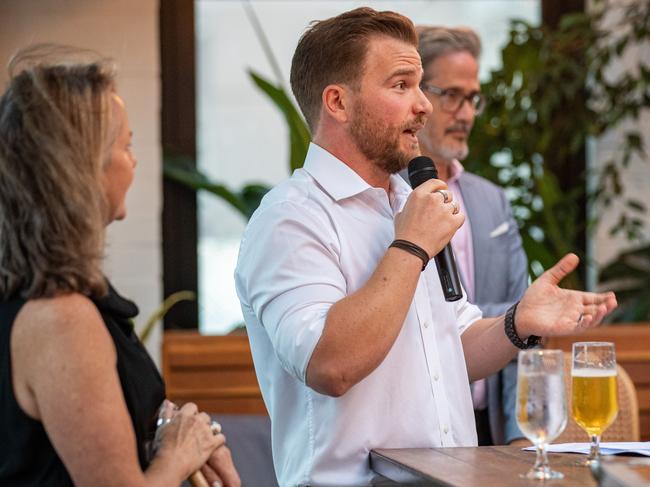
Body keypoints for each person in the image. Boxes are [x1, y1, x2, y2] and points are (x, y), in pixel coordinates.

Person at [234, 7, 617, 486]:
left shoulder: (404, 202)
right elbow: (328, 364)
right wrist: (412, 245)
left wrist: (519, 322)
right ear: (337, 102)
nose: (424, 106)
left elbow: (450, 346)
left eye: (420, 85)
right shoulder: (289, 218)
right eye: (401, 85)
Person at [0, 45, 240, 486]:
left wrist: (168, 425)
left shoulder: (56, 299)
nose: (134, 160)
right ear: (79, 167)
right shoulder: (60, 319)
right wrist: (179, 453)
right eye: (126, 144)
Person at [410, 26, 527, 446]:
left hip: (490, 425)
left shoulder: (494, 202)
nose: (466, 113)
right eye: (452, 95)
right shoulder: (385, 199)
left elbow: (521, 322)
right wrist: (517, 315)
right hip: (415, 433)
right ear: (416, 97)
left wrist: (520, 438)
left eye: (473, 98)